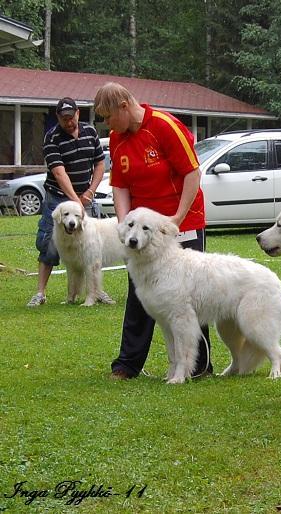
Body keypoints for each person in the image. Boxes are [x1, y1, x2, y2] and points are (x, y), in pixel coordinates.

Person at [93, 82, 213, 380]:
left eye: (108, 117)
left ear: (124, 106)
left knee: (189, 293)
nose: (107, 124)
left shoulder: (164, 126)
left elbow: (192, 173)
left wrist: (176, 218)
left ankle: (198, 365)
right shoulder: (117, 138)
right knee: (139, 293)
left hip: (180, 223)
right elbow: (119, 184)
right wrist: (125, 224)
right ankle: (127, 364)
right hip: (141, 231)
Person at [28, 97, 106, 307]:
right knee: (49, 246)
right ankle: (40, 293)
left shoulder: (90, 132)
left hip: (85, 196)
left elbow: (99, 163)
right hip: (59, 198)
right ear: (58, 118)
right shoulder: (52, 137)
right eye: (64, 119)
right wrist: (75, 201)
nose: (68, 122)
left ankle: (97, 292)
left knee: (93, 248)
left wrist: (89, 192)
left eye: (71, 118)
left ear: (78, 114)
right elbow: (59, 173)